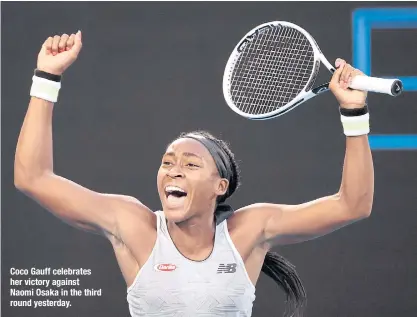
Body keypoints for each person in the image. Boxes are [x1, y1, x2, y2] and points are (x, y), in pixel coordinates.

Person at [14, 32, 374, 317]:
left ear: (221, 186)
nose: (173, 171)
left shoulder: (249, 231)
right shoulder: (133, 226)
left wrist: (354, 112)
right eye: (168, 162)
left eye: (190, 164)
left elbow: (353, 205)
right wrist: (47, 76)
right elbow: (33, 177)